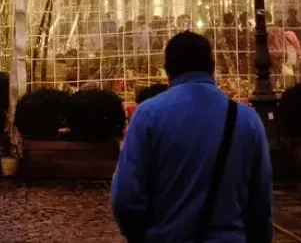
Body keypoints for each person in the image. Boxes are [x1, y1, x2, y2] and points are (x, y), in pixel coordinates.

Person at [111, 31, 273, 242]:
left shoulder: (148, 116)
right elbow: (261, 200)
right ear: (212, 66)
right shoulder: (246, 119)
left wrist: (142, 234)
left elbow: (126, 196)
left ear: (167, 69)